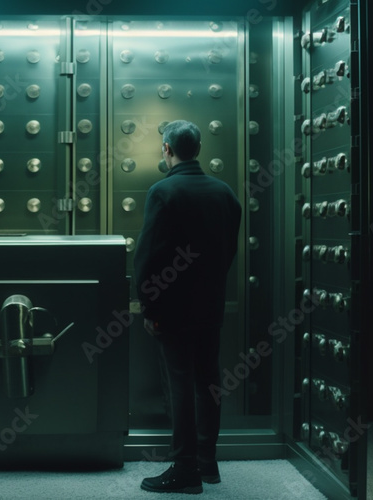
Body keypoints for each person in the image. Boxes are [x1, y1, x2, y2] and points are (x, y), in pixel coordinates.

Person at [133, 120, 242, 495]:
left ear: (167, 150)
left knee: (179, 383)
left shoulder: (164, 191)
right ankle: (207, 462)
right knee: (208, 382)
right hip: (210, 304)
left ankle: (184, 468)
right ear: (197, 149)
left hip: (174, 308)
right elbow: (229, 250)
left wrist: (148, 305)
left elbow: (148, 255)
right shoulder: (224, 192)